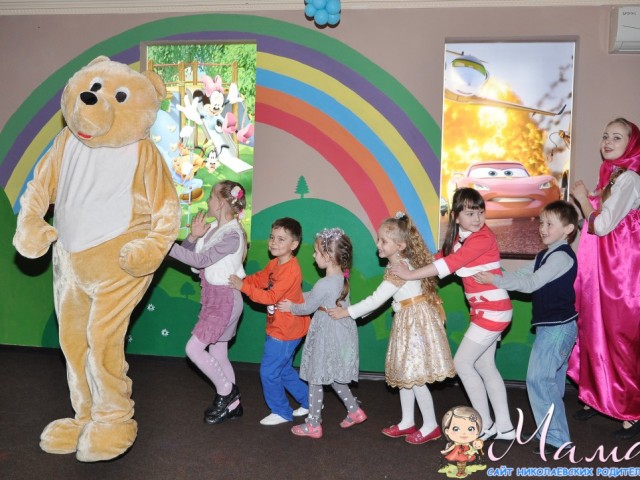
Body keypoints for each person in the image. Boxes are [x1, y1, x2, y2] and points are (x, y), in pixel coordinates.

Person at [390, 188, 514, 441]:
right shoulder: (460, 238)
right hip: (484, 311)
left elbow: (448, 264)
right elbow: (439, 257)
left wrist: (409, 274)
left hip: (494, 311)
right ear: (456, 216)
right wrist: (409, 259)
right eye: (470, 213)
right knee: (485, 366)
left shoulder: (482, 238)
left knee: (463, 364)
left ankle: (485, 424)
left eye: (480, 212)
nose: (477, 218)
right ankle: (505, 428)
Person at [329, 212, 456, 445]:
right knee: (406, 375)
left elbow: (376, 300)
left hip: (415, 323)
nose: (378, 244)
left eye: (383, 241)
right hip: (409, 320)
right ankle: (407, 421)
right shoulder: (399, 265)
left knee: (416, 378)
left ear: (400, 246)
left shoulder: (399, 269)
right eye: (379, 239)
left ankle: (431, 426)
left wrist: (346, 312)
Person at [474, 200, 579, 455]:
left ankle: (556, 439)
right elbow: (522, 274)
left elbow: (531, 283)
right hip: (552, 327)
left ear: (568, 229)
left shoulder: (561, 256)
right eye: (541, 223)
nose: (542, 228)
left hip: (558, 328)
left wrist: (494, 279)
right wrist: (492, 275)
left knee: (539, 380)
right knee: (550, 383)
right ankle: (551, 433)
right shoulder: (544, 255)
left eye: (550, 224)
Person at [568, 117, 640, 440]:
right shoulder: (612, 175)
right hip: (603, 271)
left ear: (632, 145)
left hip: (621, 276)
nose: (608, 142)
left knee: (620, 340)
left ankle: (632, 410)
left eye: (617, 138)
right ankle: (598, 396)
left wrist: (584, 198)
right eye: (606, 136)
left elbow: (602, 225)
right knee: (594, 331)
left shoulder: (630, 180)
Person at [168, 180, 247, 424]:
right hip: (214, 298)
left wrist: (164, 245)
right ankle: (233, 406)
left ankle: (227, 392)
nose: (207, 201)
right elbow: (192, 260)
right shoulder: (212, 229)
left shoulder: (233, 235)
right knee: (218, 353)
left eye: (211, 197)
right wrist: (193, 236)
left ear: (221, 203)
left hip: (225, 300)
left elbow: (202, 260)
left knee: (193, 349)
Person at [277, 228, 363, 439]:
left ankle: (313, 423)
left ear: (328, 256)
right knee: (332, 375)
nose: (314, 256)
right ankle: (354, 410)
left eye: (316, 252)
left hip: (327, 334)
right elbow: (315, 296)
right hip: (340, 333)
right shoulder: (341, 279)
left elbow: (308, 307)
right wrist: (297, 296)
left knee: (316, 376)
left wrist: (290, 307)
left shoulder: (324, 283)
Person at [229, 217, 311, 426]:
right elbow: (261, 278)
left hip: (286, 331)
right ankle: (310, 401)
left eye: (281, 239)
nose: (274, 242)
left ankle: (281, 411)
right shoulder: (275, 263)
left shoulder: (291, 270)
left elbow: (270, 297)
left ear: (294, 245)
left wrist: (243, 287)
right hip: (281, 327)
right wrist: (243, 281)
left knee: (269, 372)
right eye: (272, 237)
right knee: (283, 370)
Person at [439, 406, 485, 478]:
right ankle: (460, 472)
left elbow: (474, 448)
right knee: (460, 462)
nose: (464, 433)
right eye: (456, 429)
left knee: (463, 462)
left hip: (466, 452)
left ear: (478, 430)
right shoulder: (456, 444)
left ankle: (462, 471)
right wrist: (446, 451)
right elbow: (452, 447)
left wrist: (477, 447)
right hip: (457, 452)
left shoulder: (469, 444)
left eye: (470, 429)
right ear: (447, 431)